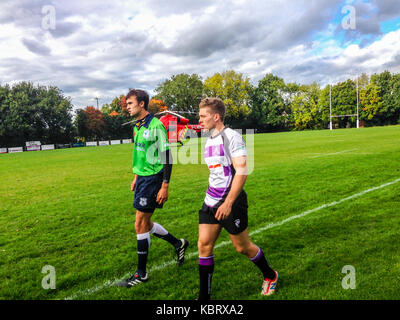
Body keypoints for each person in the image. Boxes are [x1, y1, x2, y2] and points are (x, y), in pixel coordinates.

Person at [197, 97, 278, 300]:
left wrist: (228, 202)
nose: (200, 120)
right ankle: (204, 298)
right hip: (210, 200)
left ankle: (270, 275)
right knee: (204, 245)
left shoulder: (232, 137)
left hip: (230, 201)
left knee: (242, 247)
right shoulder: (209, 139)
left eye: (203, 116)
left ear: (216, 117)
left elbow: (242, 171)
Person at [118, 89, 189, 288]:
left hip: (153, 179)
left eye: (130, 103)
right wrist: (136, 176)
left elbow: (167, 156)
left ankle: (141, 274)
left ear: (142, 104)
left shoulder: (156, 125)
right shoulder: (137, 126)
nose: (127, 107)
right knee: (146, 224)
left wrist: (165, 186)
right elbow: (141, 155)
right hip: (142, 178)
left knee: (139, 223)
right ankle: (178, 244)